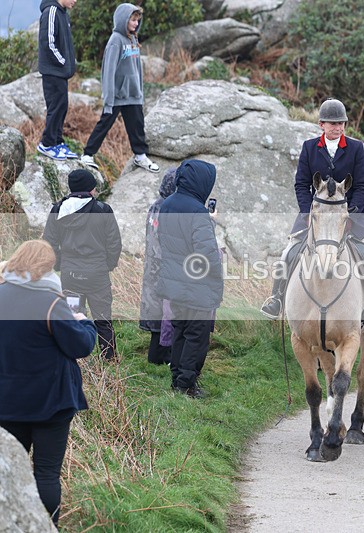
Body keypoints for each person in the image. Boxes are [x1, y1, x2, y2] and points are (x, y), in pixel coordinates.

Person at [261, 98, 364, 321]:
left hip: (350, 212)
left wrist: (350, 211)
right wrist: (309, 212)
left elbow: (363, 184)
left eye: (341, 124)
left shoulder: (355, 148)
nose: (337, 128)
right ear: (321, 125)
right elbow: (301, 184)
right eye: (332, 124)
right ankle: (276, 299)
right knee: (289, 251)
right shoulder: (309, 147)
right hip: (316, 212)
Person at [0, 240, 96, 527]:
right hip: (51, 402)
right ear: (47, 267)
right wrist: (85, 322)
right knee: (46, 473)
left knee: (6, 472)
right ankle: (44, 527)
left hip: (6, 400)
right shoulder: (53, 302)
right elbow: (81, 346)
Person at [156, 160, 222, 398]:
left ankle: (177, 380)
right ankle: (186, 385)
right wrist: (216, 275)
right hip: (197, 286)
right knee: (196, 336)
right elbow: (206, 254)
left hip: (174, 282)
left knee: (180, 331)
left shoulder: (168, 204)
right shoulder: (197, 212)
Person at [43, 169, 121, 360]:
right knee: (103, 319)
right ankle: (108, 359)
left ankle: (75, 358)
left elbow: (48, 242)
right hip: (98, 277)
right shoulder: (103, 210)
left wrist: (61, 264)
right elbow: (114, 243)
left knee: (72, 317)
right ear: (90, 188)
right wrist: (107, 265)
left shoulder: (58, 210)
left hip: (70, 276)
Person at [80, 4, 159, 173]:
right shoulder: (115, 40)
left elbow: (137, 69)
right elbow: (108, 72)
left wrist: (139, 92)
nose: (136, 23)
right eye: (133, 19)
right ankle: (87, 154)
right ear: (123, 19)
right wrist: (108, 99)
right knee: (105, 124)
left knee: (137, 125)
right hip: (116, 95)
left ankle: (140, 156)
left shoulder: (133, 39)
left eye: (138, 20)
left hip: (132, 94)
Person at [139, 168, 177, 364]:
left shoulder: (155, 206)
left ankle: (156, 357)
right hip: (164, 266)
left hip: (152, 265)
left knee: (156, 312)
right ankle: (162, 357)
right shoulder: (169, 208)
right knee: (167, 312)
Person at [36, 0, 78, 161]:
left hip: (60, 73)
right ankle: (46, 144)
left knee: (62, 107)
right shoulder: (51, 11)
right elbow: (48, 42)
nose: (75, 1)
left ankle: (57, 141)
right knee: (56, 107)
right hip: (53, 72)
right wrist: (63, 63)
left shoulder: (63, 13)